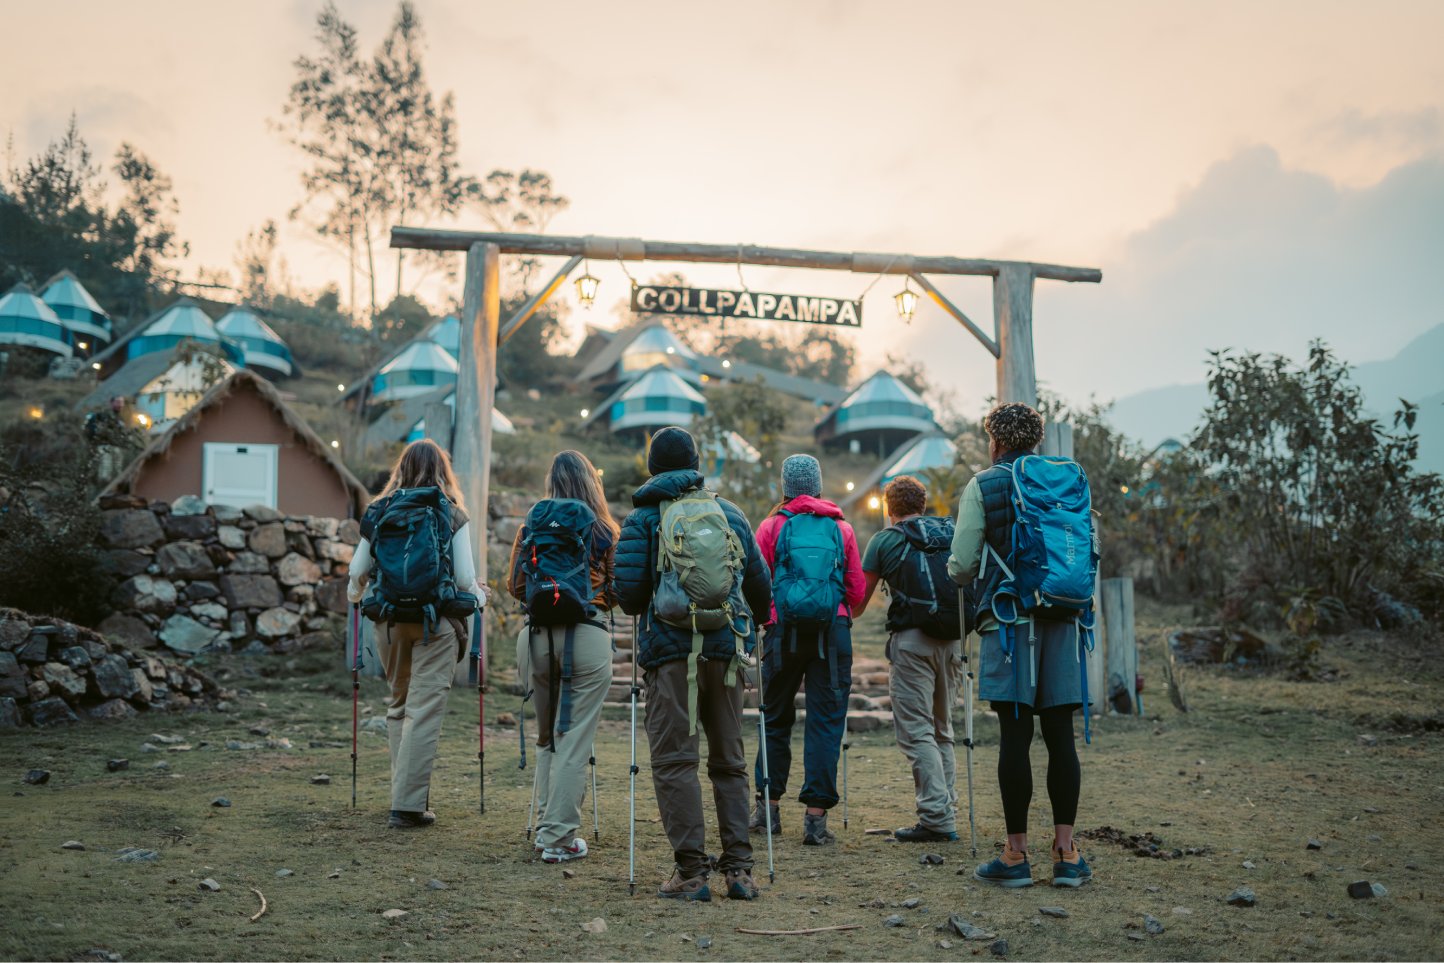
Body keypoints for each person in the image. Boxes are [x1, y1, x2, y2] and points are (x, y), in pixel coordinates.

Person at [615, 426, 772, 902]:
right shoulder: (729, 513)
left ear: (652, 467)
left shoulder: (643, 519)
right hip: (725, 651)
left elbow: (628, 597)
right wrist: (753, 625)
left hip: (669, 654)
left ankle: (690, 873)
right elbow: (759, 585)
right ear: (696, 461)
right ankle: (740, 873)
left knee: (674, 761)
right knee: (729, 760)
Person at [948, 403, 1093, 888]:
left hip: (1010, 623)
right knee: (1060, 737)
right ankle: (1067, 854)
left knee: (1015, 738)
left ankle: (1015, 856)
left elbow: (963, 564)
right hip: (1064, 620)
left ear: (994, 441)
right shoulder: (1068, 480)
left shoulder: (984, 484)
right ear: (1038, 440)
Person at [348, 439, 487, 829]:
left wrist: (358, 596)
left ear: (400, 469)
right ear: (443, 471)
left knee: (398, 706)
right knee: (423, 712)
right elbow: (462, 578)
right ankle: (407, 806)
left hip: (389, 622)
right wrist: (480, 597)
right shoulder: (451, 512)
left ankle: (404, 795)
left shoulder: (379, 511)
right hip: (436, 622)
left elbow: (358, 569)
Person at [507, 450, 618, 864]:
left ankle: (544, 823)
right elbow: (620, 592)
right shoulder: (605, 530)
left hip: (534, 639)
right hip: (587, 638)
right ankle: (557, 839)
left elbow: (515, 586)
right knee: (574, 740)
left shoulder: (531, 527)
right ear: (592, 481)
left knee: (547, 737)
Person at [750, 454, 865, 846]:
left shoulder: (771, 526)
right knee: (826, 721)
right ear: (817, 486)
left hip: (783, 630)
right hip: (832, 633)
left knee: (774, 717)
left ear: (786, 487)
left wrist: (768, 618)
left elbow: (757, 583)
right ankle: (815, 822)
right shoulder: (841, 529)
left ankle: (768, 811)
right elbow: (856, 590)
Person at [855, 474, 961, 843]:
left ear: (889, 509)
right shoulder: (948, 532)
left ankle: (935, 817)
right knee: (942, 729)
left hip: (912, 643)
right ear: (923, 504)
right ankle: (947, 807)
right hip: (953, 641)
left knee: (916, 732)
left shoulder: (885, 540)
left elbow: (857, 603)